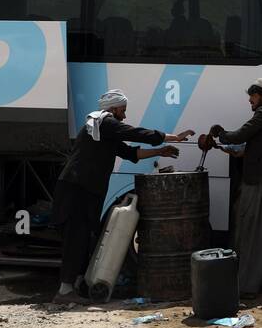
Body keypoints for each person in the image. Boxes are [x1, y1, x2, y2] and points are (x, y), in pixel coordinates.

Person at [53, 89, 189, 297]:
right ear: (113, 109)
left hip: (87, 189)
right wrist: (173, 137)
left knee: (87, 236)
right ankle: (65, 290)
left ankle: (77, 284)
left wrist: (160, 151)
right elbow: (135, 133)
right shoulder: (104, 123)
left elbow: (130, 153)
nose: (124, 115)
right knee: (76, 237)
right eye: (122, 111)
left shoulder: (104, 130)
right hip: (77, 188)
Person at [205, 78, 262, 298]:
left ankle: (246, 287)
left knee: (251, 237)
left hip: (261, 188)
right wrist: (225, 147)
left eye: (253, 95)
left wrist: (219, 132)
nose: (250, 100)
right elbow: (249, 149)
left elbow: (238, 136)